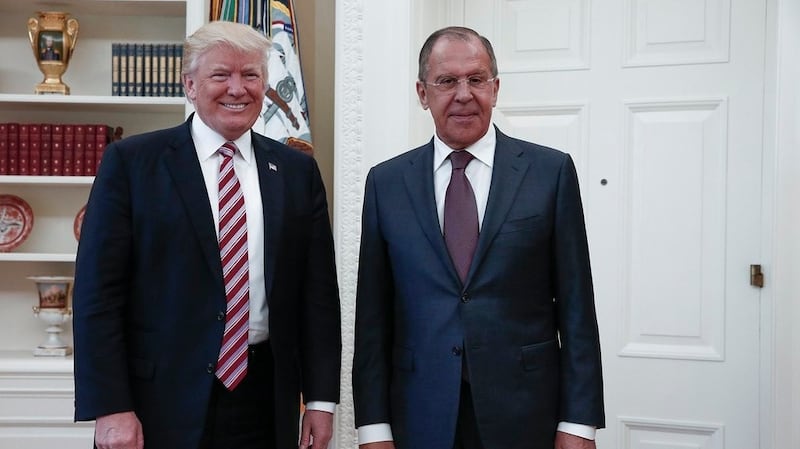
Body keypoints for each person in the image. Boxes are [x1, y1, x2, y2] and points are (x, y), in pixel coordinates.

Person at [73, 21, 341, 449]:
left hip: (266, 399)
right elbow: (97, 296)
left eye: (251, 75)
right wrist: (111, 406)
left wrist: (323, 400)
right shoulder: (132, 163)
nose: (238, 89)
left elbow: (319, 296)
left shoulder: (296, 172)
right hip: (156, 404)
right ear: (191, 85)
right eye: (221, 75)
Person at [352, 26, 604, 449]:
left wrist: (578, 424)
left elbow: (577, 310)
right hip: (419, 415)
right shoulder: (386, 183)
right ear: (422, 92)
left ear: (496, 87)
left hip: (525, 415)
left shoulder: (550, 173)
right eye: (447, 81)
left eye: (476, 79)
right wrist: (374, 428)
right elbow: (373, 316)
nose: (464, 94)